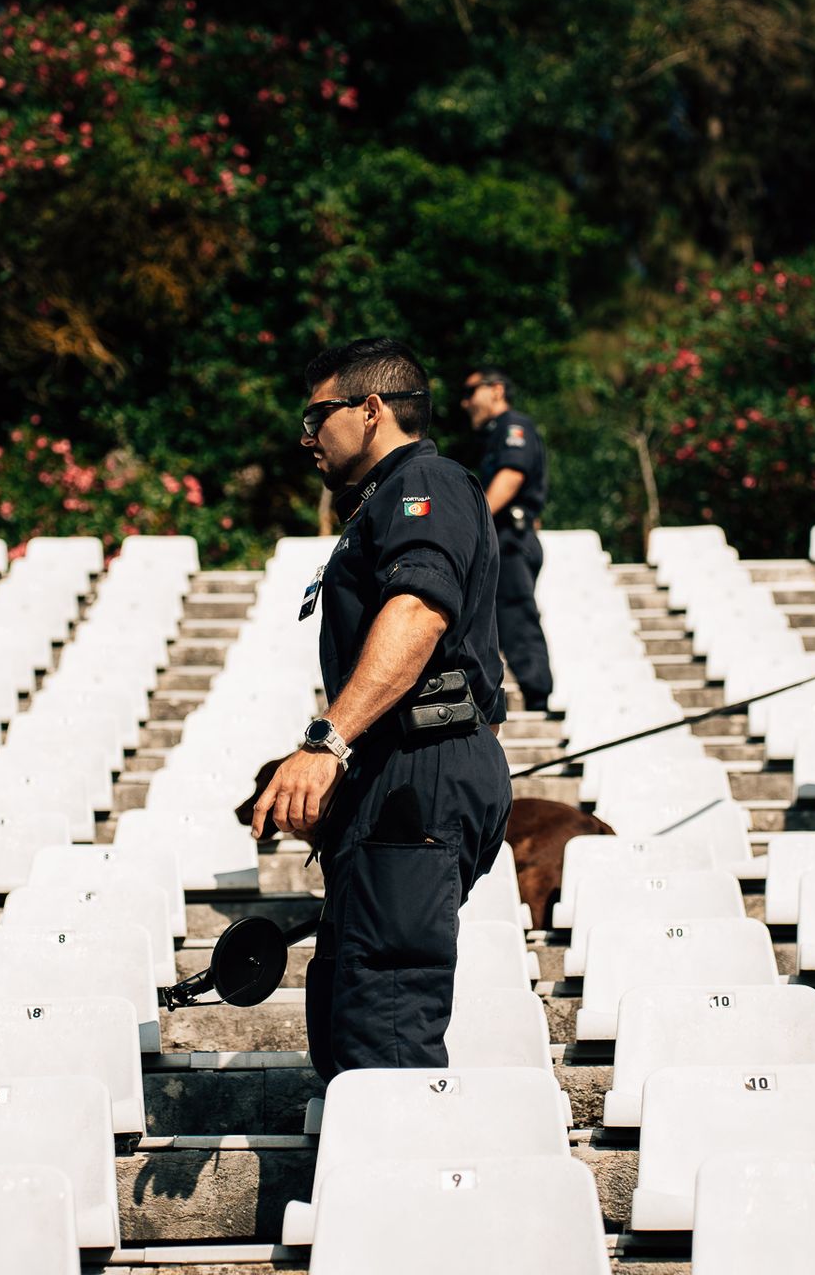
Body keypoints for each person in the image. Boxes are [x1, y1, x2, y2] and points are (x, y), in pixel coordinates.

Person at [251, 336, 513, 1078]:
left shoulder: (421, 481)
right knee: (348, 1004)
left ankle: (400, 1191)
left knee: (385, 1022)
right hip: (399, 766)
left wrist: (326, 742)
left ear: (370, 411)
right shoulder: (385, 499)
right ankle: (362, 1184)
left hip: (418, 764)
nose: (307, 437)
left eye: (318, 416)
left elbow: (420, 612)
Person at [460, 367, 554, 713]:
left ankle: (537, 696)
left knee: (515, 615)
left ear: (496, 389)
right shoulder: (492, 434)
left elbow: (511, 478)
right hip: (504, 538)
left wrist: (470, 522)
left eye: (472, 391)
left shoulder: (513, 426)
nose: (465, 401)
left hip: (511, 539)